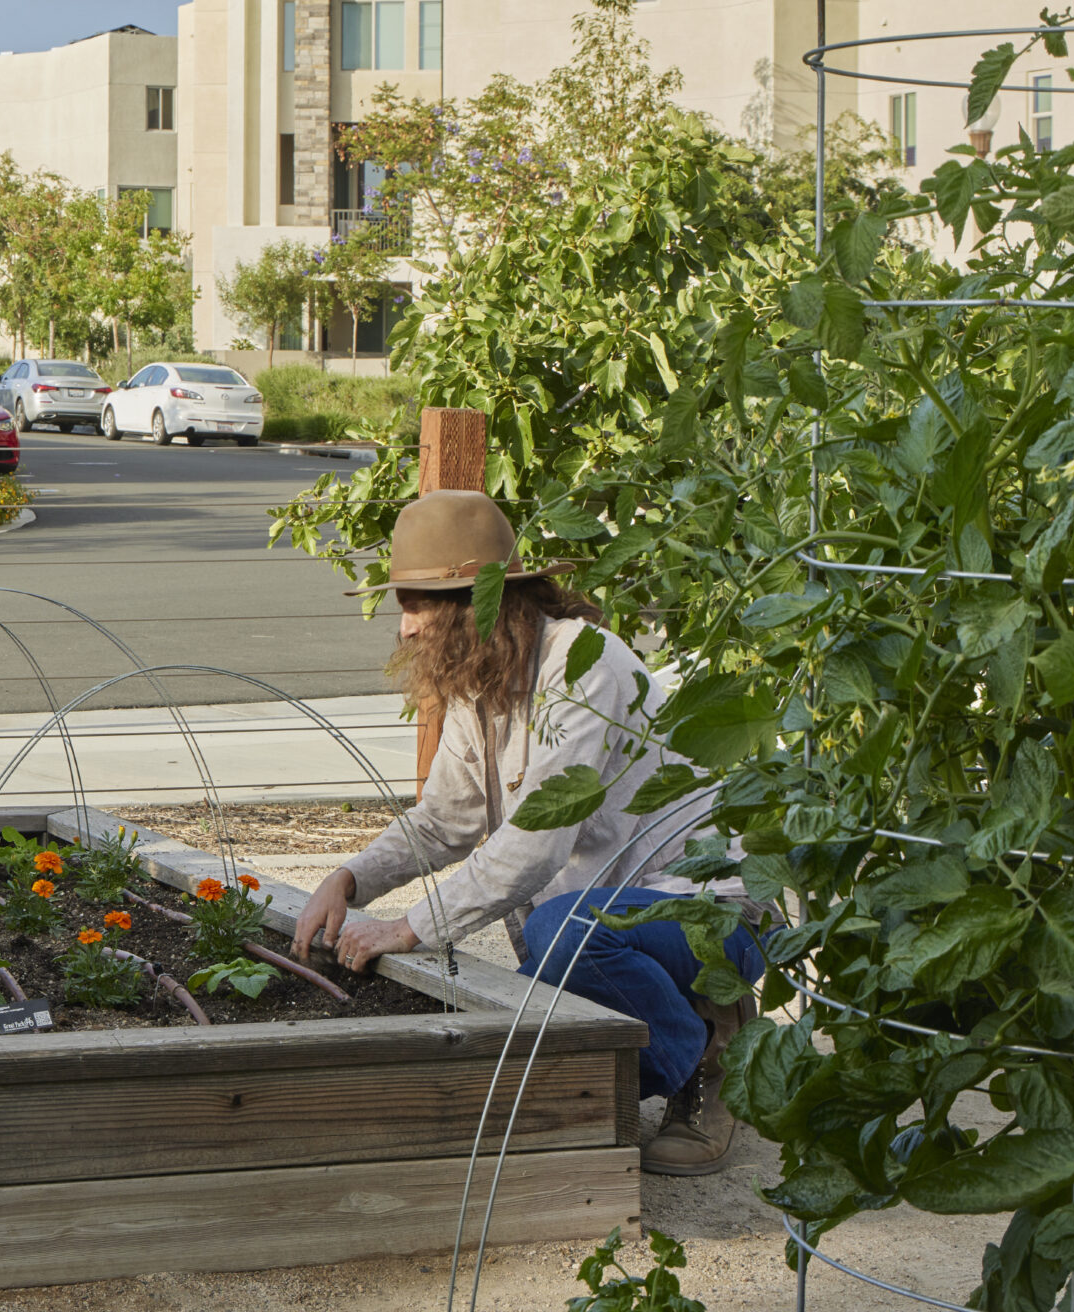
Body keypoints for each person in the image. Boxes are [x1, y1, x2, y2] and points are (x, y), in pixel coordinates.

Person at [291, 490, 766, 1176]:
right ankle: (657, 1053)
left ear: (472, 599)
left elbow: (538, 844)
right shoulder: (481, 680)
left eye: (417, 604)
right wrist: (351, 879)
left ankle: (707, 1050)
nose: (407, 628)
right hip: (602, 919)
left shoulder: (586, 665)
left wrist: (409, 927)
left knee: (559, 934)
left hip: (711, 914)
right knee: (539, 981)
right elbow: (443, 819)